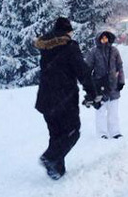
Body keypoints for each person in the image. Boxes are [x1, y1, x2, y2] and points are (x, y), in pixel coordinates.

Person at [34, 17, 100, 180]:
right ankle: (50, 158)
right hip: (64, 98)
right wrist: (93, 93)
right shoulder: (70, 47)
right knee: (72, 132)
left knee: (56, 134)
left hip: (45, 99)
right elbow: (82, 72)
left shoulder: (46, 48)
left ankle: (56, 171)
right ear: (67, 31)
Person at [85, 31, 125, 140]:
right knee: (101, 110)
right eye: (102, 38)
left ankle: (115, 132)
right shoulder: (93, 52)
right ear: (98, 39)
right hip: (99, 87)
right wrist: (88, 85)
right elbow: (88, 68)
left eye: (106, 38)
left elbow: (120, 67)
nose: (104, 40)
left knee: (113, 111)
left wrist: (121, 81)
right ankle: (102, 133)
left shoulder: (114, 51)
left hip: (114, 86)